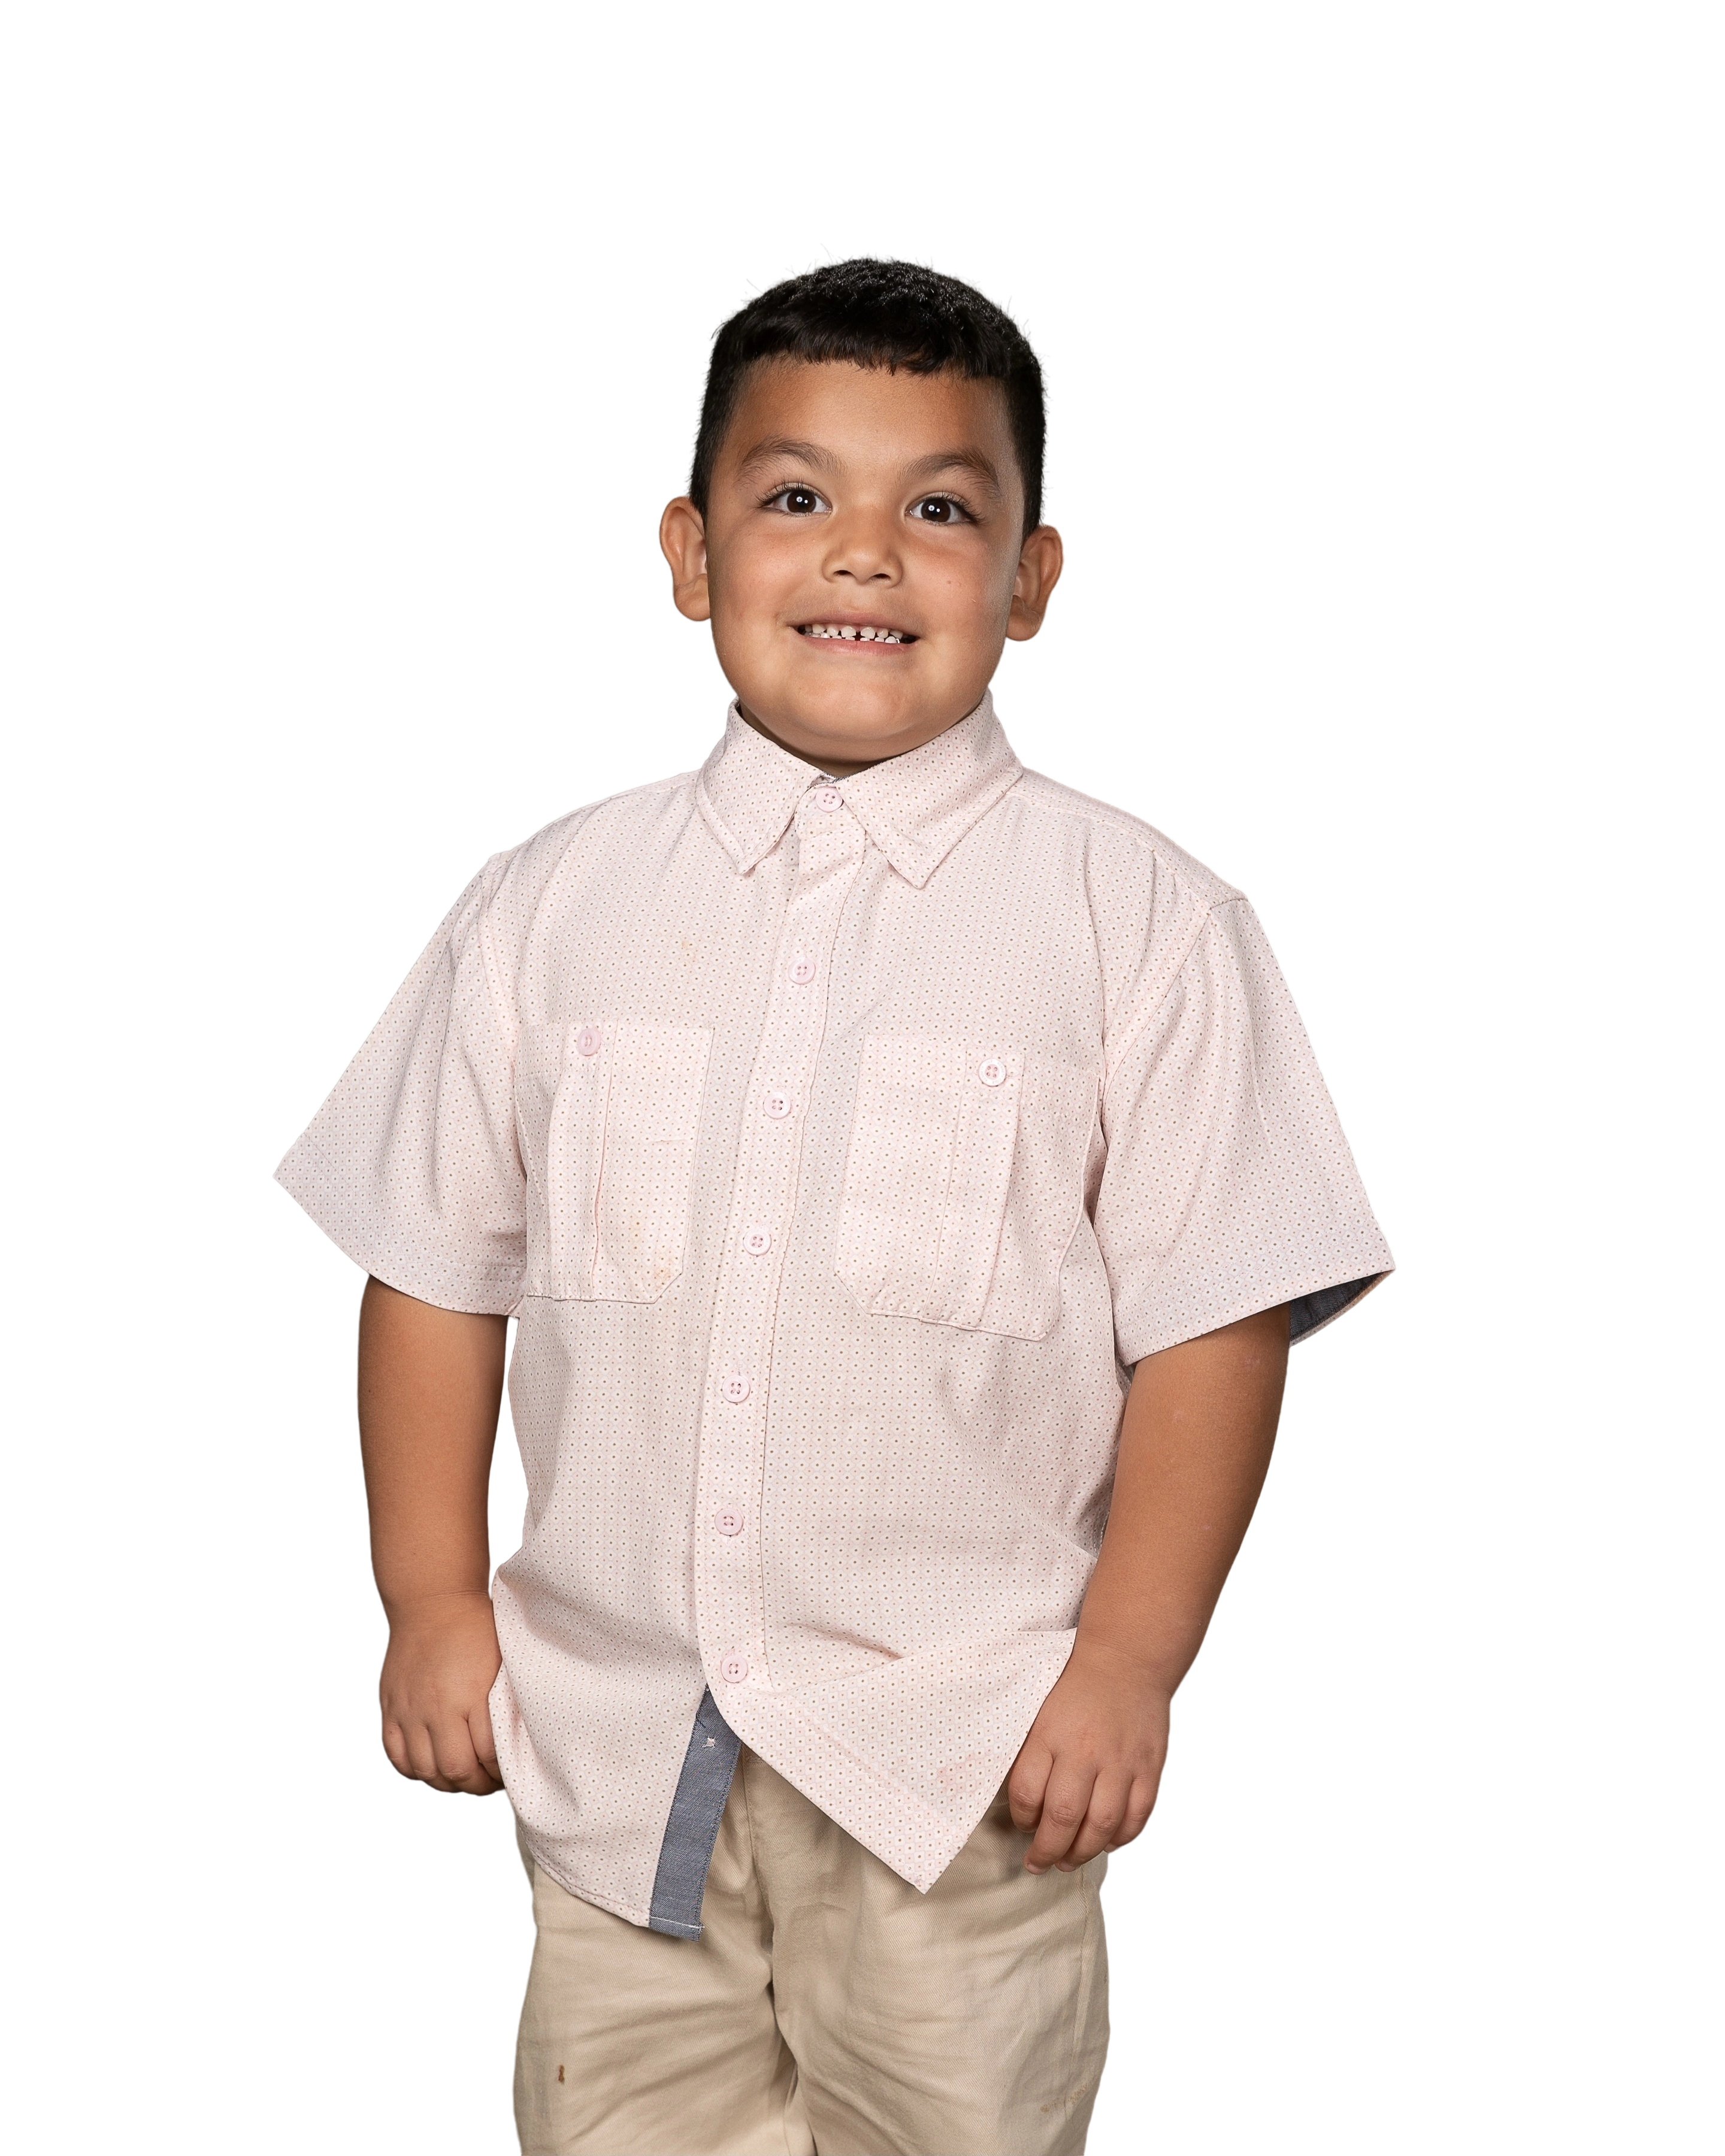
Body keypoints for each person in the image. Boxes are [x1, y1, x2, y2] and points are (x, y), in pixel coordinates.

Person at [270, 249, 1397, 2156]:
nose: (864, 553)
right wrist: (432, 1597)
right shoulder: (550, 903)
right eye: (797, 496)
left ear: (1032, 579)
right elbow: (436, 1269)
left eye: (939, 510)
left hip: (968, 1761)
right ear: (692, 553)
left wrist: (1132, 1666)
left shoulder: (1145, 930)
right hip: (617, 1750)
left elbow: (1218, 1322)